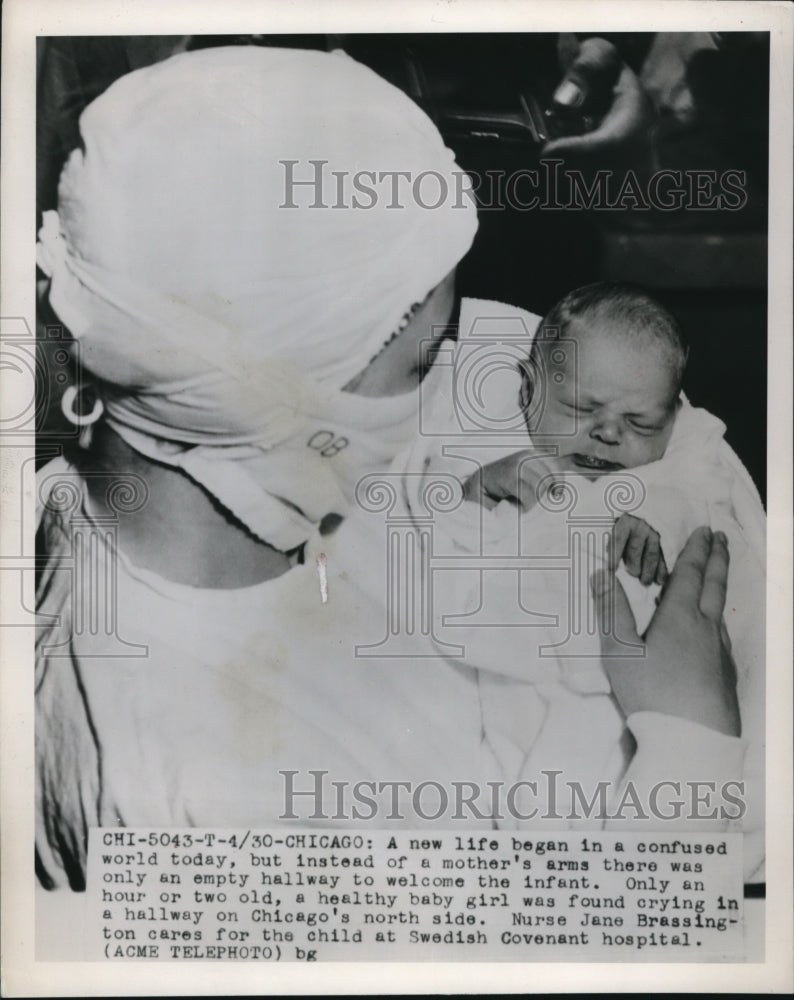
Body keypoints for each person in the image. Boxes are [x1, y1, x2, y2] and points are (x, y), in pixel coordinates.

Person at [35, 46, 758, 898]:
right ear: (276, 390)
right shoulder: (221, 783)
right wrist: (687, 740)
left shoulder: (262, 478)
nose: (452, 394)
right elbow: (517, 951)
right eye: (421, 371)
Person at [402, 283, 764, 878]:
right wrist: (480, 492)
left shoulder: (674, 473)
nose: (607, 434)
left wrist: (660, 529)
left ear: (671, 417)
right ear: (527, 388)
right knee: (528, 783)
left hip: (642, 689)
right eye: (580, 410)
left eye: (639, 422)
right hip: (529, 671)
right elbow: (441, 543)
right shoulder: (495, 455)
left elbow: (712, 533)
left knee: (613, 782)